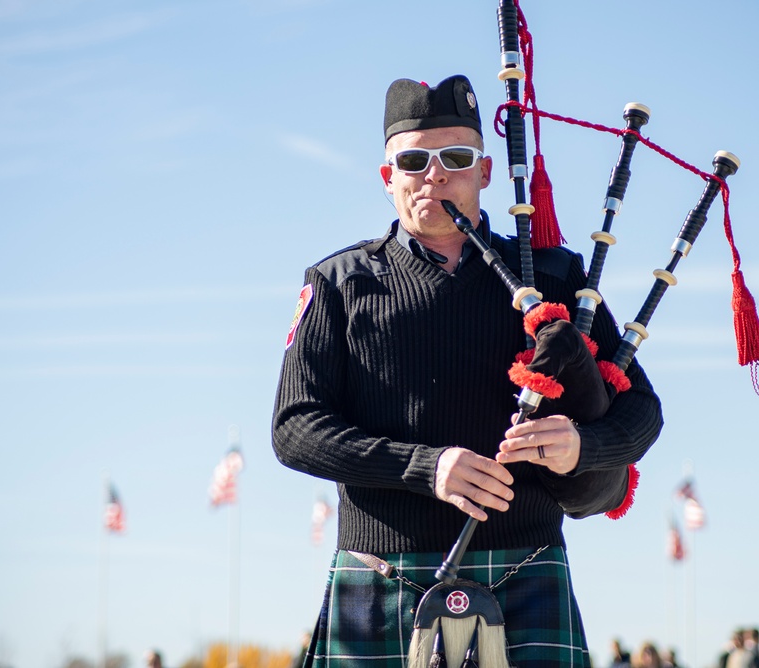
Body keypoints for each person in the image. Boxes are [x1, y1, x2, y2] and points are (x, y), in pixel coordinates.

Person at [271, 74, 662, 668]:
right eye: (414, 160)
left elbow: (643, 410)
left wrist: (583, 444)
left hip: (525, 563)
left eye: (456, 157)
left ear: (483, 172)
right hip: (383, 573)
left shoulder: (555, 279)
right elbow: (294, 429)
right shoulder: (338, 284)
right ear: (388, 178)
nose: (435, 174)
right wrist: (425, 467)